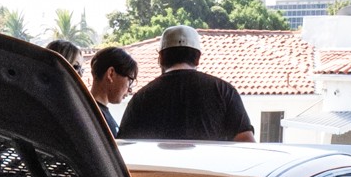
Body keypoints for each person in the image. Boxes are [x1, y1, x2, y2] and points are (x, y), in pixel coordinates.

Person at [115, 24, 254, 143]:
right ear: (198, 58)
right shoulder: (224, 91)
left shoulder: (142, 97)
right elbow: (247, 143)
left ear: (161, 58)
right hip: (209, 174)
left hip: (159, 174)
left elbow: (124, 149)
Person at [88, 46, 137, 136]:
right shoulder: (94, 117)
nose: (129, 90)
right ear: (111, 74)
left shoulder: (89, 111)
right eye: (129, 81)